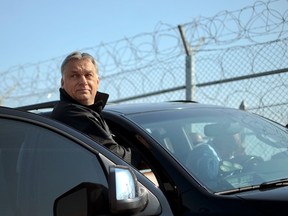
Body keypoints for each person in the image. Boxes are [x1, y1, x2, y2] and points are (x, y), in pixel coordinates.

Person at [51, 51, 131, 163]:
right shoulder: (71, 114)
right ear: (63, 83)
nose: (83, 82)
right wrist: (144, 154)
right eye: (74, 76)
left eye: (88, 75)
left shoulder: (93, 112)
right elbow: (115, 157)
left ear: (97, 81)